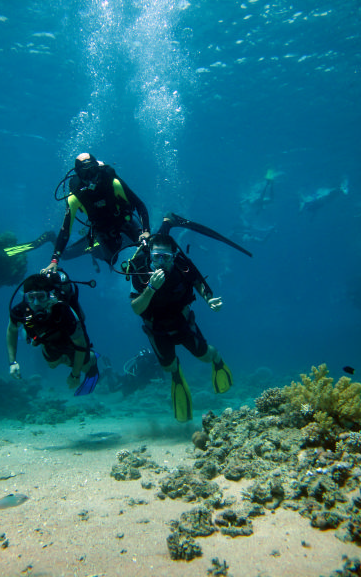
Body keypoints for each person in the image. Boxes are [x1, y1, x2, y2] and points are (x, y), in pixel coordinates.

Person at [128, 233, 232, 422]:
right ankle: (176, 373)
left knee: (204, 356)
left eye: (166, 257)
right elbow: (136, 308)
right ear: (150, 255)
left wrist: (209, 300)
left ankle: (216, 358)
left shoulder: (183, 266)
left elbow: (199, 284)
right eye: (156, 257)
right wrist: (151, 288)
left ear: (174, 256)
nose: (161, 263)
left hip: (181, 321)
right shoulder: (140, 271)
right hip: (155, 326)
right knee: (167, 367)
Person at [43, 153, 150, 272]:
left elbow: (139, 204)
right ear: (78, 174)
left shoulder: (112, 182)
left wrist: (146, 231)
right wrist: (54, 260)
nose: (90, 176)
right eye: (84, 173)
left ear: (98, 168)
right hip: (102, 230)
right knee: (111, 260)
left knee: (147, 246)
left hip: (124, 221)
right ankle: (95, 250)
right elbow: (65, 229)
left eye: (92, 170)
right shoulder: (75, 196)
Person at [6, 271, 99, 396]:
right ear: (25, 297)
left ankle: (92, 357)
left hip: (69, 338)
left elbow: (80, 345)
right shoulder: (20, 310)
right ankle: (41, 341)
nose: (36, 303)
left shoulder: (63, 311)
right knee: (52, 364)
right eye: (31, 297)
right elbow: (11, 330)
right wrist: (12, 362)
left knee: (84, 367)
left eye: (41, 297)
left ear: (49, 296)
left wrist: (75, 375)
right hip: (47, 339)